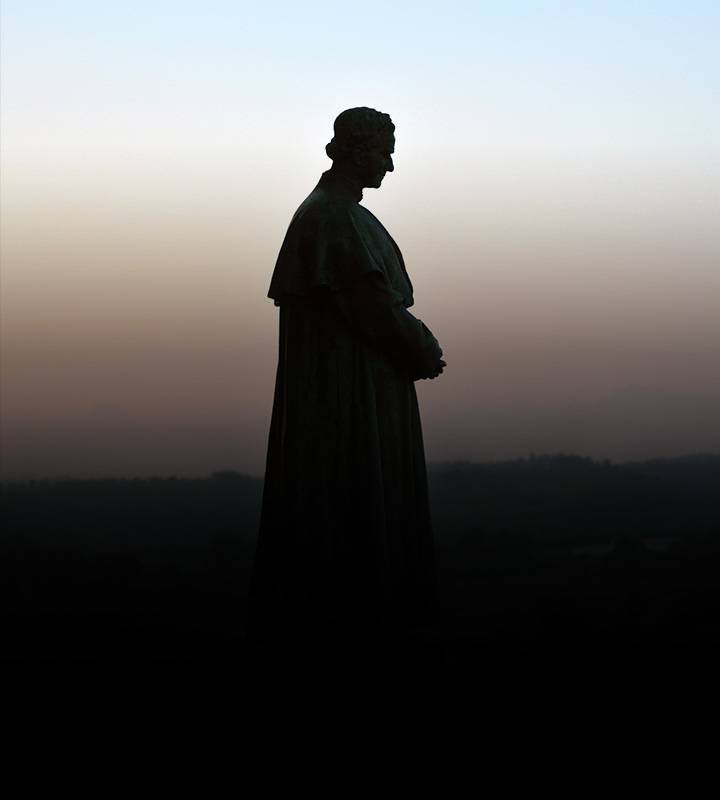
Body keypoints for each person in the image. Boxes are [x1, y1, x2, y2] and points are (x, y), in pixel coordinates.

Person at [248, 107, 446, 646]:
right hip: (348, 390)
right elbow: (370, 304)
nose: (389, 164)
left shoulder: (345, 216)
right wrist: (422, 345)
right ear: (358, 151)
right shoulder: (331, 219)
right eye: (385, 152)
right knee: (354, 504)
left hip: (364, 382)